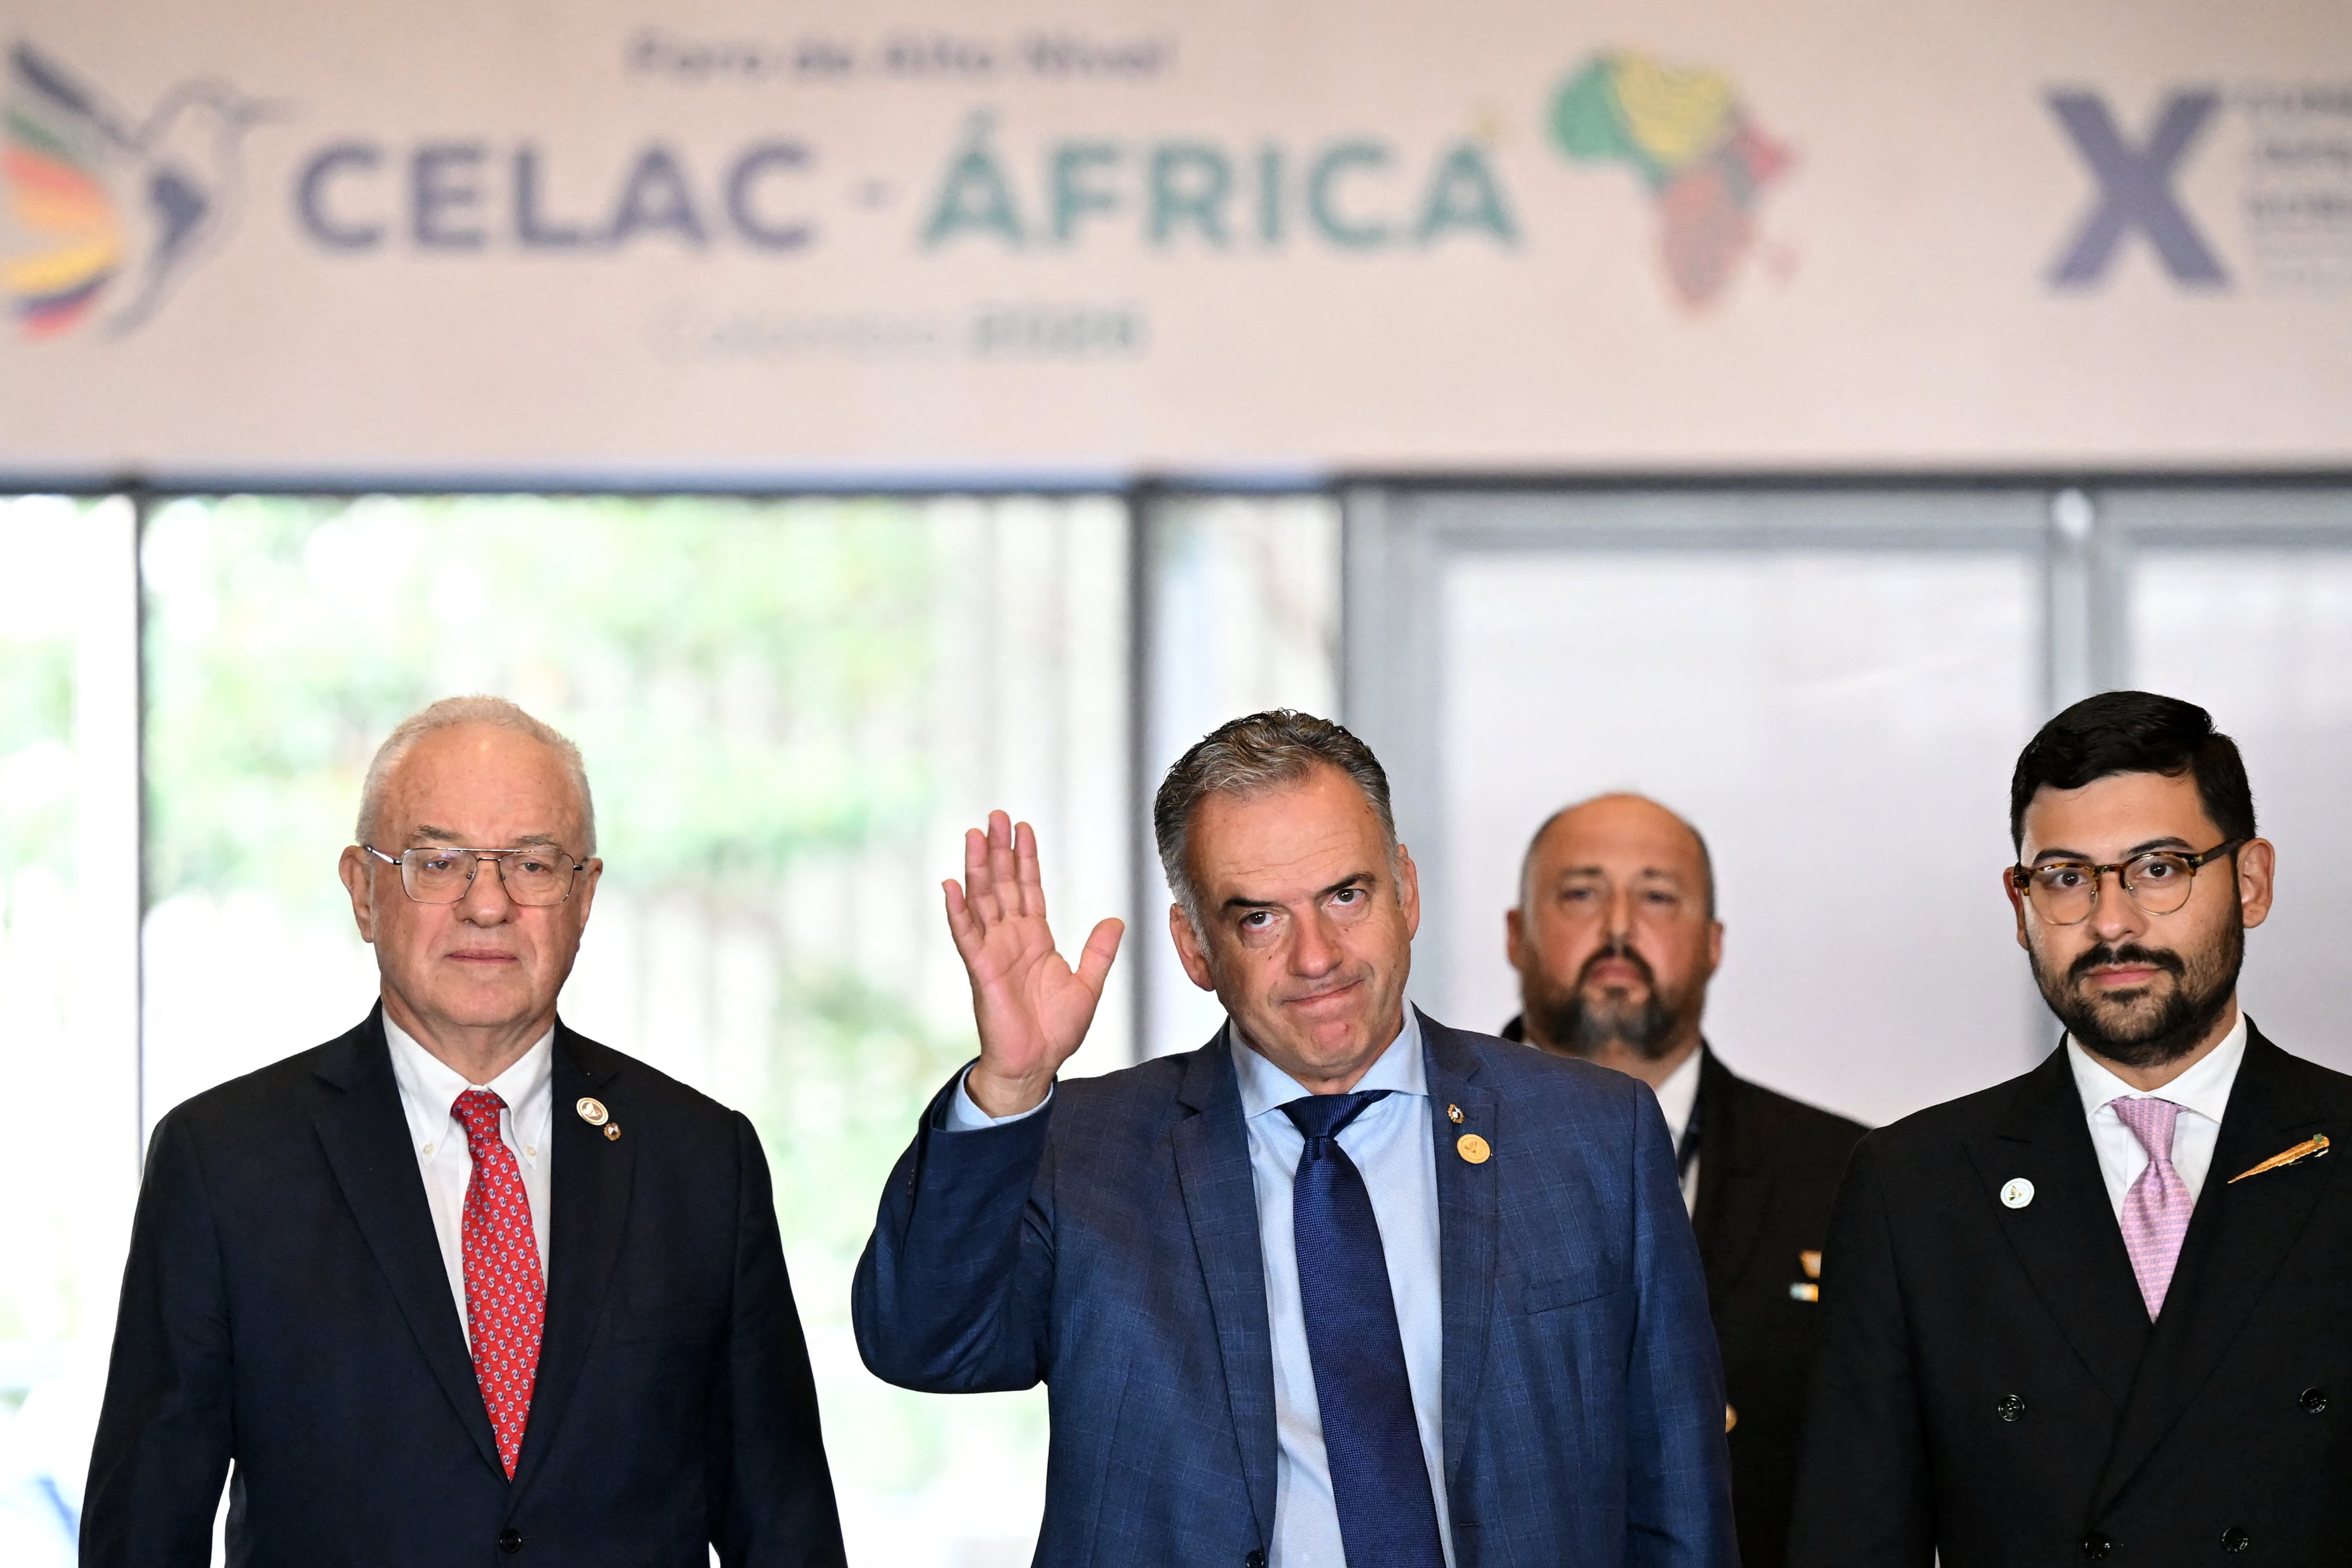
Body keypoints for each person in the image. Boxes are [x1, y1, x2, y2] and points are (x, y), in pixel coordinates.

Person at [856, 710, 1734, 1567]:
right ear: (1195, 947)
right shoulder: (1083, 1147)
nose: (1317, 958)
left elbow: (1677, 1496)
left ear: (1406, 891)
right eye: (1259, 919)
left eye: (1345, 896)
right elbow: (928, 1344)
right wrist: (1010, 1083)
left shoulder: (1592, 1134)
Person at [82, 696, 844, 1567]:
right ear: (363, 891)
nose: (488, 906)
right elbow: (143, 1530)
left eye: (532, 864)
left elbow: (784, 1527)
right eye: (438, 863)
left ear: (585, 895)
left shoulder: (703, 1162)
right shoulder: (225, 1163)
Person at [1789, 690, 2352, 1565]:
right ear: (2019, 907)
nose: (2110, 922)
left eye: (2158, 868)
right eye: (2064, 878)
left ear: (2250, 882)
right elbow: (1851, 1539)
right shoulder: (1916, 1188)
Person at [1501, 793, 1864, 1568]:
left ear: (1712, 944)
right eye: (1580, 893)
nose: (1618, 928)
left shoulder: (1848, 1177)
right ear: (1514, 935)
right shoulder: (1403, 1148)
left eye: (1657, 896)